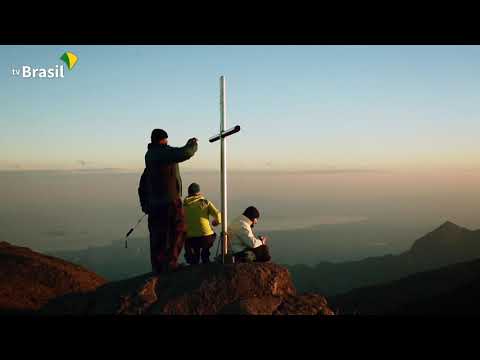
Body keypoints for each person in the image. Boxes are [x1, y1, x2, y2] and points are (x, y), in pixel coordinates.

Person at [138, 128, 198, 273]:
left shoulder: (150, 157)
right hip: (170, 202)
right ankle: (170, 263)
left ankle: (158, 267)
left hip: (154, 205)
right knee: (180, 229)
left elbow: (142, 186)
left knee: (158, 236)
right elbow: (185, 153)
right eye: (166, 139)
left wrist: (145, 205)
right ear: (163, 139)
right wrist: (192, 144)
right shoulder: (162, 152)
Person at [183, 183, 221, 265]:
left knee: (190, 241)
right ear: (199, 192)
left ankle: (195, 259)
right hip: (206, 238)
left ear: (189, 193)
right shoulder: (205, 202)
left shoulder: (184, 205)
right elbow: (218, 214)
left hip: (191, 239)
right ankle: (205, 254)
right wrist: (216, 222)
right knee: (213, 234)